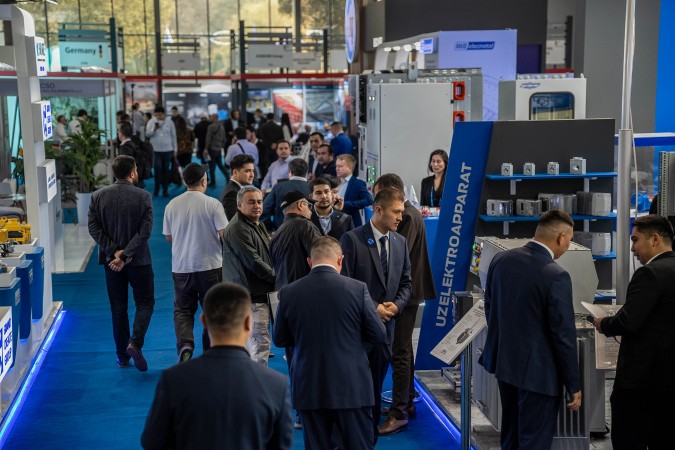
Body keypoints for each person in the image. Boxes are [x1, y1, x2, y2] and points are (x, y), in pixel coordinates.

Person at [141, 282, 293, 450]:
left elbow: (152, 442)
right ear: (248, 323)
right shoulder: (276, 385)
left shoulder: (173, 380)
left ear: (204, 321)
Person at [480, 210, 582, 450]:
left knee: (511, 437)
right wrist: (573, 384)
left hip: (506, 367)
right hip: (539, 376)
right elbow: (563, 336)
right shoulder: (556, 275)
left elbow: (490, 307)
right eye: (569, 240)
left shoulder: (501, 260)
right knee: (534, 441)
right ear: (561, 238)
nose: (568, 246)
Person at [273, 237, 386, 450]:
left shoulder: (288, 292)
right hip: (352, 386)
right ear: (340, 260)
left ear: (309, 261)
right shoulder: (357, 289)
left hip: (309, 386)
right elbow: (379, 335)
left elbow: (279, 339)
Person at [593, 214, 675, 450]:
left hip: (641, 382)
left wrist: (603, 323)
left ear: (655, 239)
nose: (632, 249)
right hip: (669, 382)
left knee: (628, 441)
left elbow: (628, 321)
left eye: (635, 240)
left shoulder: (650, 273)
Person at [340, 188, 412, 442]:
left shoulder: (400, 242)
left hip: (385, 332)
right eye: (396, 212)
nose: (400, 217)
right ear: (379, 210)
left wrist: (396, 307)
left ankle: (368, 436)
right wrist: (374, 308)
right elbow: (345, 283)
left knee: (376, 387)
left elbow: (406, 283)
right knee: (355, 389)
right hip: (357, 332)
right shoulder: (351, 239)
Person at [372, 174, 436, 434]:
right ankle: (405, 402)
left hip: (403, 296)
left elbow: (399, 257)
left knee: (399, 352)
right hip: (405, 294)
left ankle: (399, 412)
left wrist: (390, 301)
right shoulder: (410, 213)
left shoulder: (406, 216)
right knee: (403, 350)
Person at [87, 155, 154, 372]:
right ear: (133, 172)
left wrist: (114, 252)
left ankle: (122, 356)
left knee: (118, 308)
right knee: (145, 303)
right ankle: (135, 342)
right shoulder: (144, 196)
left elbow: (93, 228)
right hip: (139, 261)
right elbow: (145, 232)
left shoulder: (98, 196)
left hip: (111, 263)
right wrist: (125, 255)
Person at [163, 163, 228, 362]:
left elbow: (169, 237)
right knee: (212, 310)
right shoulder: (212, 204)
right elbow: (224, 234)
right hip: (211, 266)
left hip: (182, 267)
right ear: (204, 181)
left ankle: (185, 345)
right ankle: (210, 351)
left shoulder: (172, 204)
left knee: (182, 310)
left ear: (185, 181)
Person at [222, 186, 276, 364]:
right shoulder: (238, 228)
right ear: (239, 205)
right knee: (259, 345)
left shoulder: (257, 224)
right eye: (251, 202)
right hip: (250, 296)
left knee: (255, 344)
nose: (257, 206)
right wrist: (276, 277)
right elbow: (253, 261)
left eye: (259, 202)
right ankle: (256, 380)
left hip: (256, 292)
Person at [270, 190, 321, 291]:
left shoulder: (276, 234)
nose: (311, 211)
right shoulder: (305, 225)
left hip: (283, 293)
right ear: (300, 205)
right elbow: (321, 258)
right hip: (305, 291)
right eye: (309, 206)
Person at [261, 158, 309, 231]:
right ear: (306, 173)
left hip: (281, 231)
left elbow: (265, 210)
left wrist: (270, 228)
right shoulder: (313, 188)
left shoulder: (278, 187)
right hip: (307, 231)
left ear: (290, 172)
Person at [145, 105, 177, 197]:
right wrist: (153, 129)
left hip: (168, 150)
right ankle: (157, 188)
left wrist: (175, 149)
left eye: (160, 115)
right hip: (155, 150)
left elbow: (174, 136)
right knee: (157, 169)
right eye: (157, 115)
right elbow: (147, 134)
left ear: (164, 114)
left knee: (166, 170)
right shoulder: (151, 121)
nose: (158, 116)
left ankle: (165, 190)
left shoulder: (170, 122)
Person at [336, 154, 372, 227]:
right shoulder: (334, 181)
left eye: (340, 166)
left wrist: (345, 204)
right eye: (336, 166)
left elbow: (369, 200)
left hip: (351, 222)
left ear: (349, 168)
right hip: (336, 221)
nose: (337, 169)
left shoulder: (358, 184)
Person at [221, 154, 256, 221]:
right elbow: (234, 223)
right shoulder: (232, 193)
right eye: (248, 171)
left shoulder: (234, 189)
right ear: (235, 172)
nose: (252, 175)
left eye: (252, 171)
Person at [117, 122, 147, 189]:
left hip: (130, 183)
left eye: (119, 131)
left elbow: (124, 167)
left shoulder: (124, 148)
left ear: (121, 134)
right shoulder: (133, 143)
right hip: (136, 179)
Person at [205, 113, 229, 187]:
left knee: (211, 166)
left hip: (212, 149)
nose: (210, 118)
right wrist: (221, 146)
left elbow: (208, 138)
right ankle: (228, 178)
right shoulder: (222, 126)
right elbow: (224, 139)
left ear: (213, 118)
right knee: (220, 165)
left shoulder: (210, 127)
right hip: (218, 149)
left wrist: (206, 148)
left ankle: (213, 182)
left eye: (211, 117)